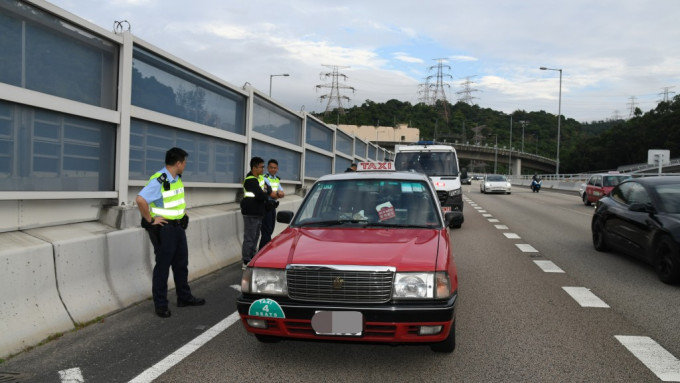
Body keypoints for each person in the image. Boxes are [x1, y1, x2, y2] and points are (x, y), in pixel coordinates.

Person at [136, 147, 205, 318]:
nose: (185, 165)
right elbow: (140, 199)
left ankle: (184, 297)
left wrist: (183, 215)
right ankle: (161, 305)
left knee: (181, 264)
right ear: (178, 163)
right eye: (185, 162)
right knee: (163, 267)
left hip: (178, 227)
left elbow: (175, 201)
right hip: (164, 229)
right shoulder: (159, 179)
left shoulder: (176, 179)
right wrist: (150, 220)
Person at [241, 157, 274, 268]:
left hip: (259, 212)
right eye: (261, 167)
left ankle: (252, 257)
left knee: (255, 237)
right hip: (251, 212)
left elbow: (268, 190)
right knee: (249, 237)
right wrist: (265, 192)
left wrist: (265, 191)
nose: (263, 169)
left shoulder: (260, 178)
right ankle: (246, 260)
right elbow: (260, 195)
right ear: (254, 167)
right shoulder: (250, 180)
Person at [259, 159, 285, 250]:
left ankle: (263, 251)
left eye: (275, 168)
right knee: (266, 230)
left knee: (270, 229)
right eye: (271, 167)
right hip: (265, 206)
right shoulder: (264, 178)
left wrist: (276, 194)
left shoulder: (277, 179)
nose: (273, 169)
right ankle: (263, 251)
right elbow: (270, 193)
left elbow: (282, 193)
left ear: (277, 169)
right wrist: (277, 194)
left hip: (273, 206)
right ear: (268, 168)